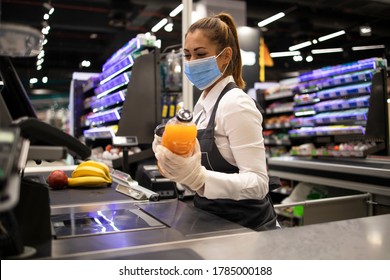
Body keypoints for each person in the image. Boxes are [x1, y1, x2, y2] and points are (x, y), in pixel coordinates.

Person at [154, 12, 278, 231]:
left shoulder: (236, 105)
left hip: (246, 228)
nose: (191, 62)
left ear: (225, 55)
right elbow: (194, 171)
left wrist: (200, 178)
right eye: (187, 54)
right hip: (210, 220)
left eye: (200, 54)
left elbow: (259, 184)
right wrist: (174, 159)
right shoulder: (201, 108)